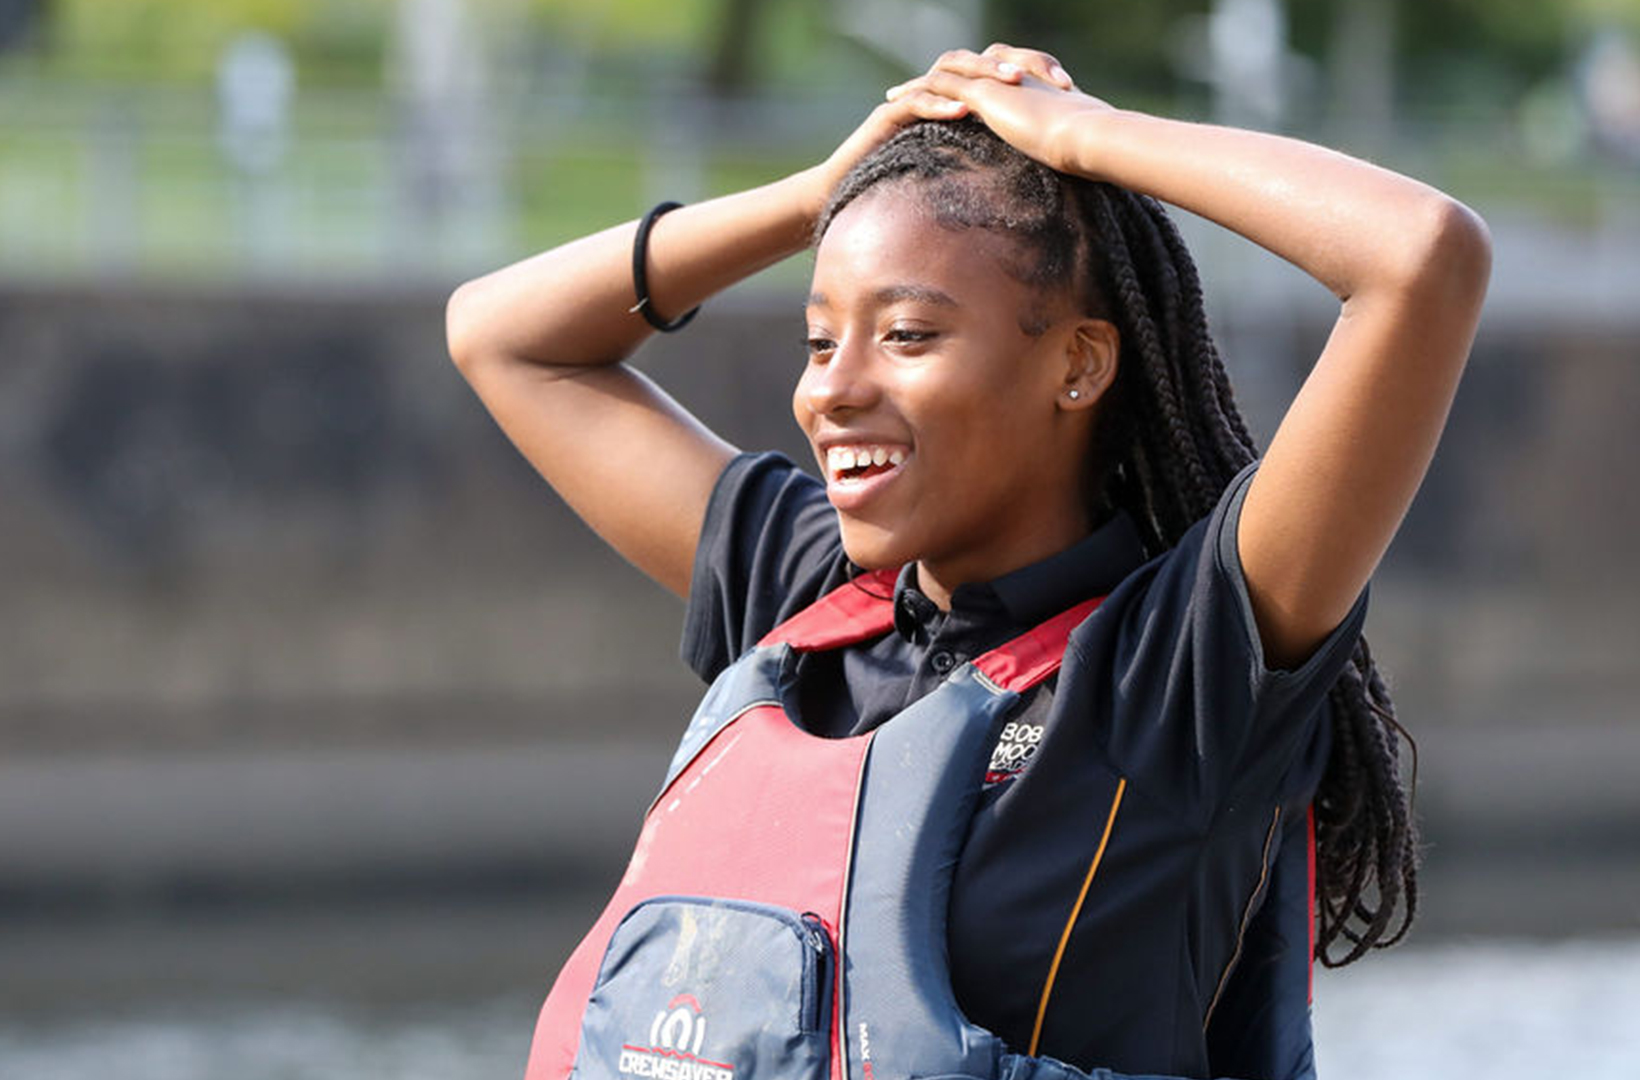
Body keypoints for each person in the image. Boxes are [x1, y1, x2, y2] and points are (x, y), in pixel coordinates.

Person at [446, 43, 1489, 1080]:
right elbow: (500, 335)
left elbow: (1422, 257)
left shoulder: (1178, 666)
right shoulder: (805, 596)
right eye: (820, 341)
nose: (831, 391)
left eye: (905, 335)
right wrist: (826, 191)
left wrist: (1086, 139)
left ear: (1078, 362)